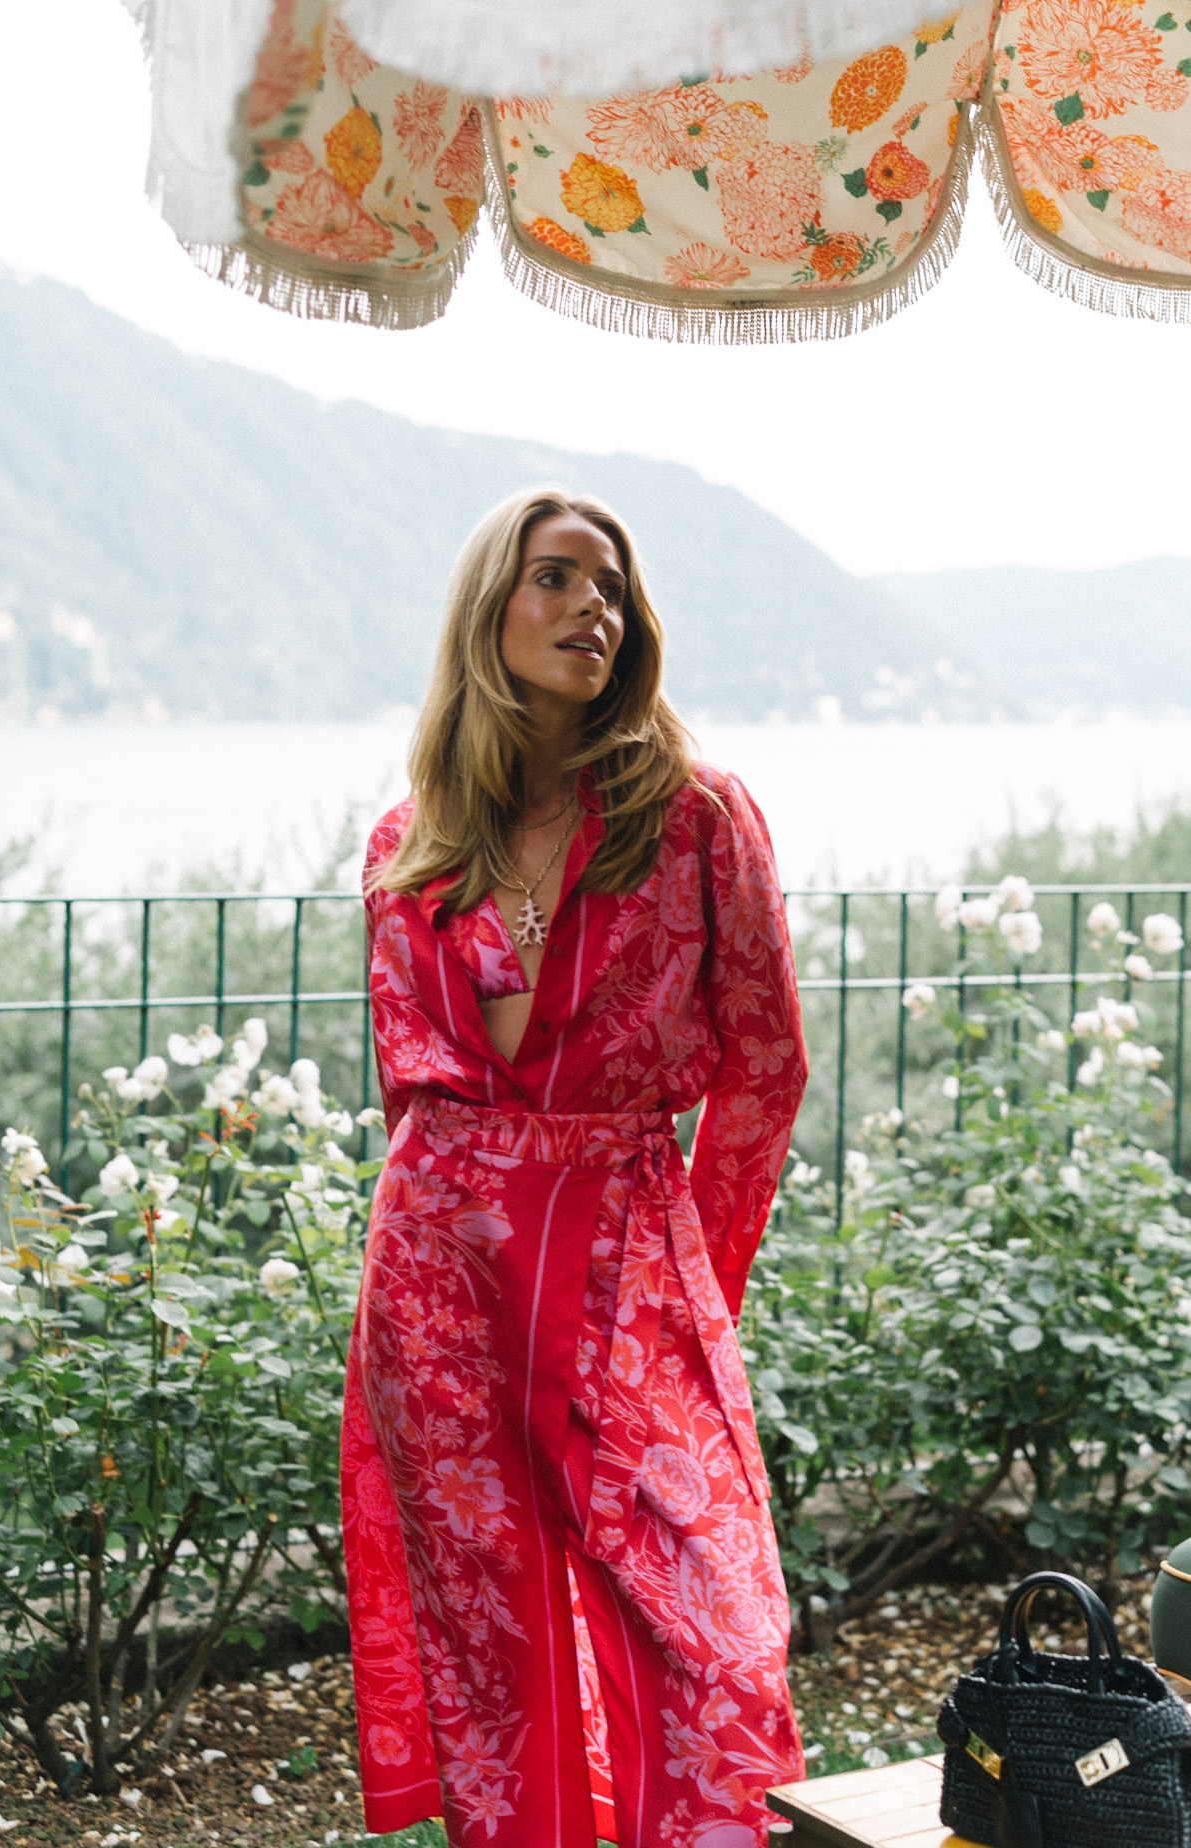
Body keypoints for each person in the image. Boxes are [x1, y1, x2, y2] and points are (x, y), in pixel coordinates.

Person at [341, 487, 808, 1848]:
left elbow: (764, 1069)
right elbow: (404, 1096)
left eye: (610, 589)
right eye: (555, 579)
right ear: (490, 610)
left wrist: (695, 1290)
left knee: (714, 1628)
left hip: (629, 1266)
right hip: (437, 1296)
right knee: (498, 1659)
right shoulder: (406, 846)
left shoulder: (699, 821)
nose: (590, 608)